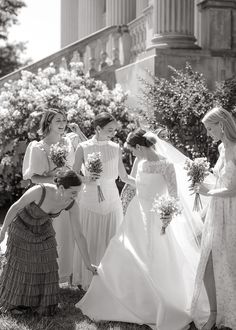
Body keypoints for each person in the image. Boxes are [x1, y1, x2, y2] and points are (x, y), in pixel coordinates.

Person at [76, 128, 209, 330]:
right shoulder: (141, 163)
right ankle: (129, 298)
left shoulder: (166, 165)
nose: (132, 154)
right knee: (126, 252)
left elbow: (173, 196)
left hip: (159, 217)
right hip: (137, 215)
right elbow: (137, 185)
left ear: (139, 146)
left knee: (158, 258)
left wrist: (167, 214)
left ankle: (160, 302)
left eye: (133, 150)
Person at [0, 170, 97, 316]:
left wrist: (88, 264)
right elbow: (16, 207)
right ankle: (16, 303)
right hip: (21, 227)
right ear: (62, 188)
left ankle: (39, 303)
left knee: (48, 264)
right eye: (73, 192)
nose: (76, 196)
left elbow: (79, 235)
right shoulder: (40, 190)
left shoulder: (71, 204)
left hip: (43, 229)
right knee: (23, 266)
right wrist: (2, 231)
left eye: (78, 192)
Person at [72, 112, 135, 290]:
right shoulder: (83, 147)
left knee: (112, 237)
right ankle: (88, 279)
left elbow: (123, 176)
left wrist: (143, 185)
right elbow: (74, 172)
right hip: (90, 197)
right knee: (90, 235)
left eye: (114, 130)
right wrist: (87, 179)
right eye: (109, 130)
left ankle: (111, 279)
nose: (113, 133)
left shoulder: (116, 147)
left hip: (112, 198)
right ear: (98, 129)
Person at [22, 108, 85, 284]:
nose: (62, 124)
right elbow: (34, 177)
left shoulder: (70, 142)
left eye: (64, 121)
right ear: (48, 123)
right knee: (55, 235)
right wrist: (55, 175)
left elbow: (90, 151)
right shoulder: (38, 147)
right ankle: (52, 275)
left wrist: (79, 132)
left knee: (72, 233)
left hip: (71, 196)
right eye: (58, 120)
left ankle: (73, 274)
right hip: (50, 199)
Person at [191, 106, 236, 330]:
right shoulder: (221, 147)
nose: (209, 133)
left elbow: (234, 189)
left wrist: (208, 192)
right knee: (208, 262)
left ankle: (229, 314)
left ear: (221, 125)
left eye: (210, 128)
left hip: (233, 212)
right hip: (218, 210)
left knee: (230, 263)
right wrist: (202, 185)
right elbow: (220, 182)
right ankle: (214, 314)